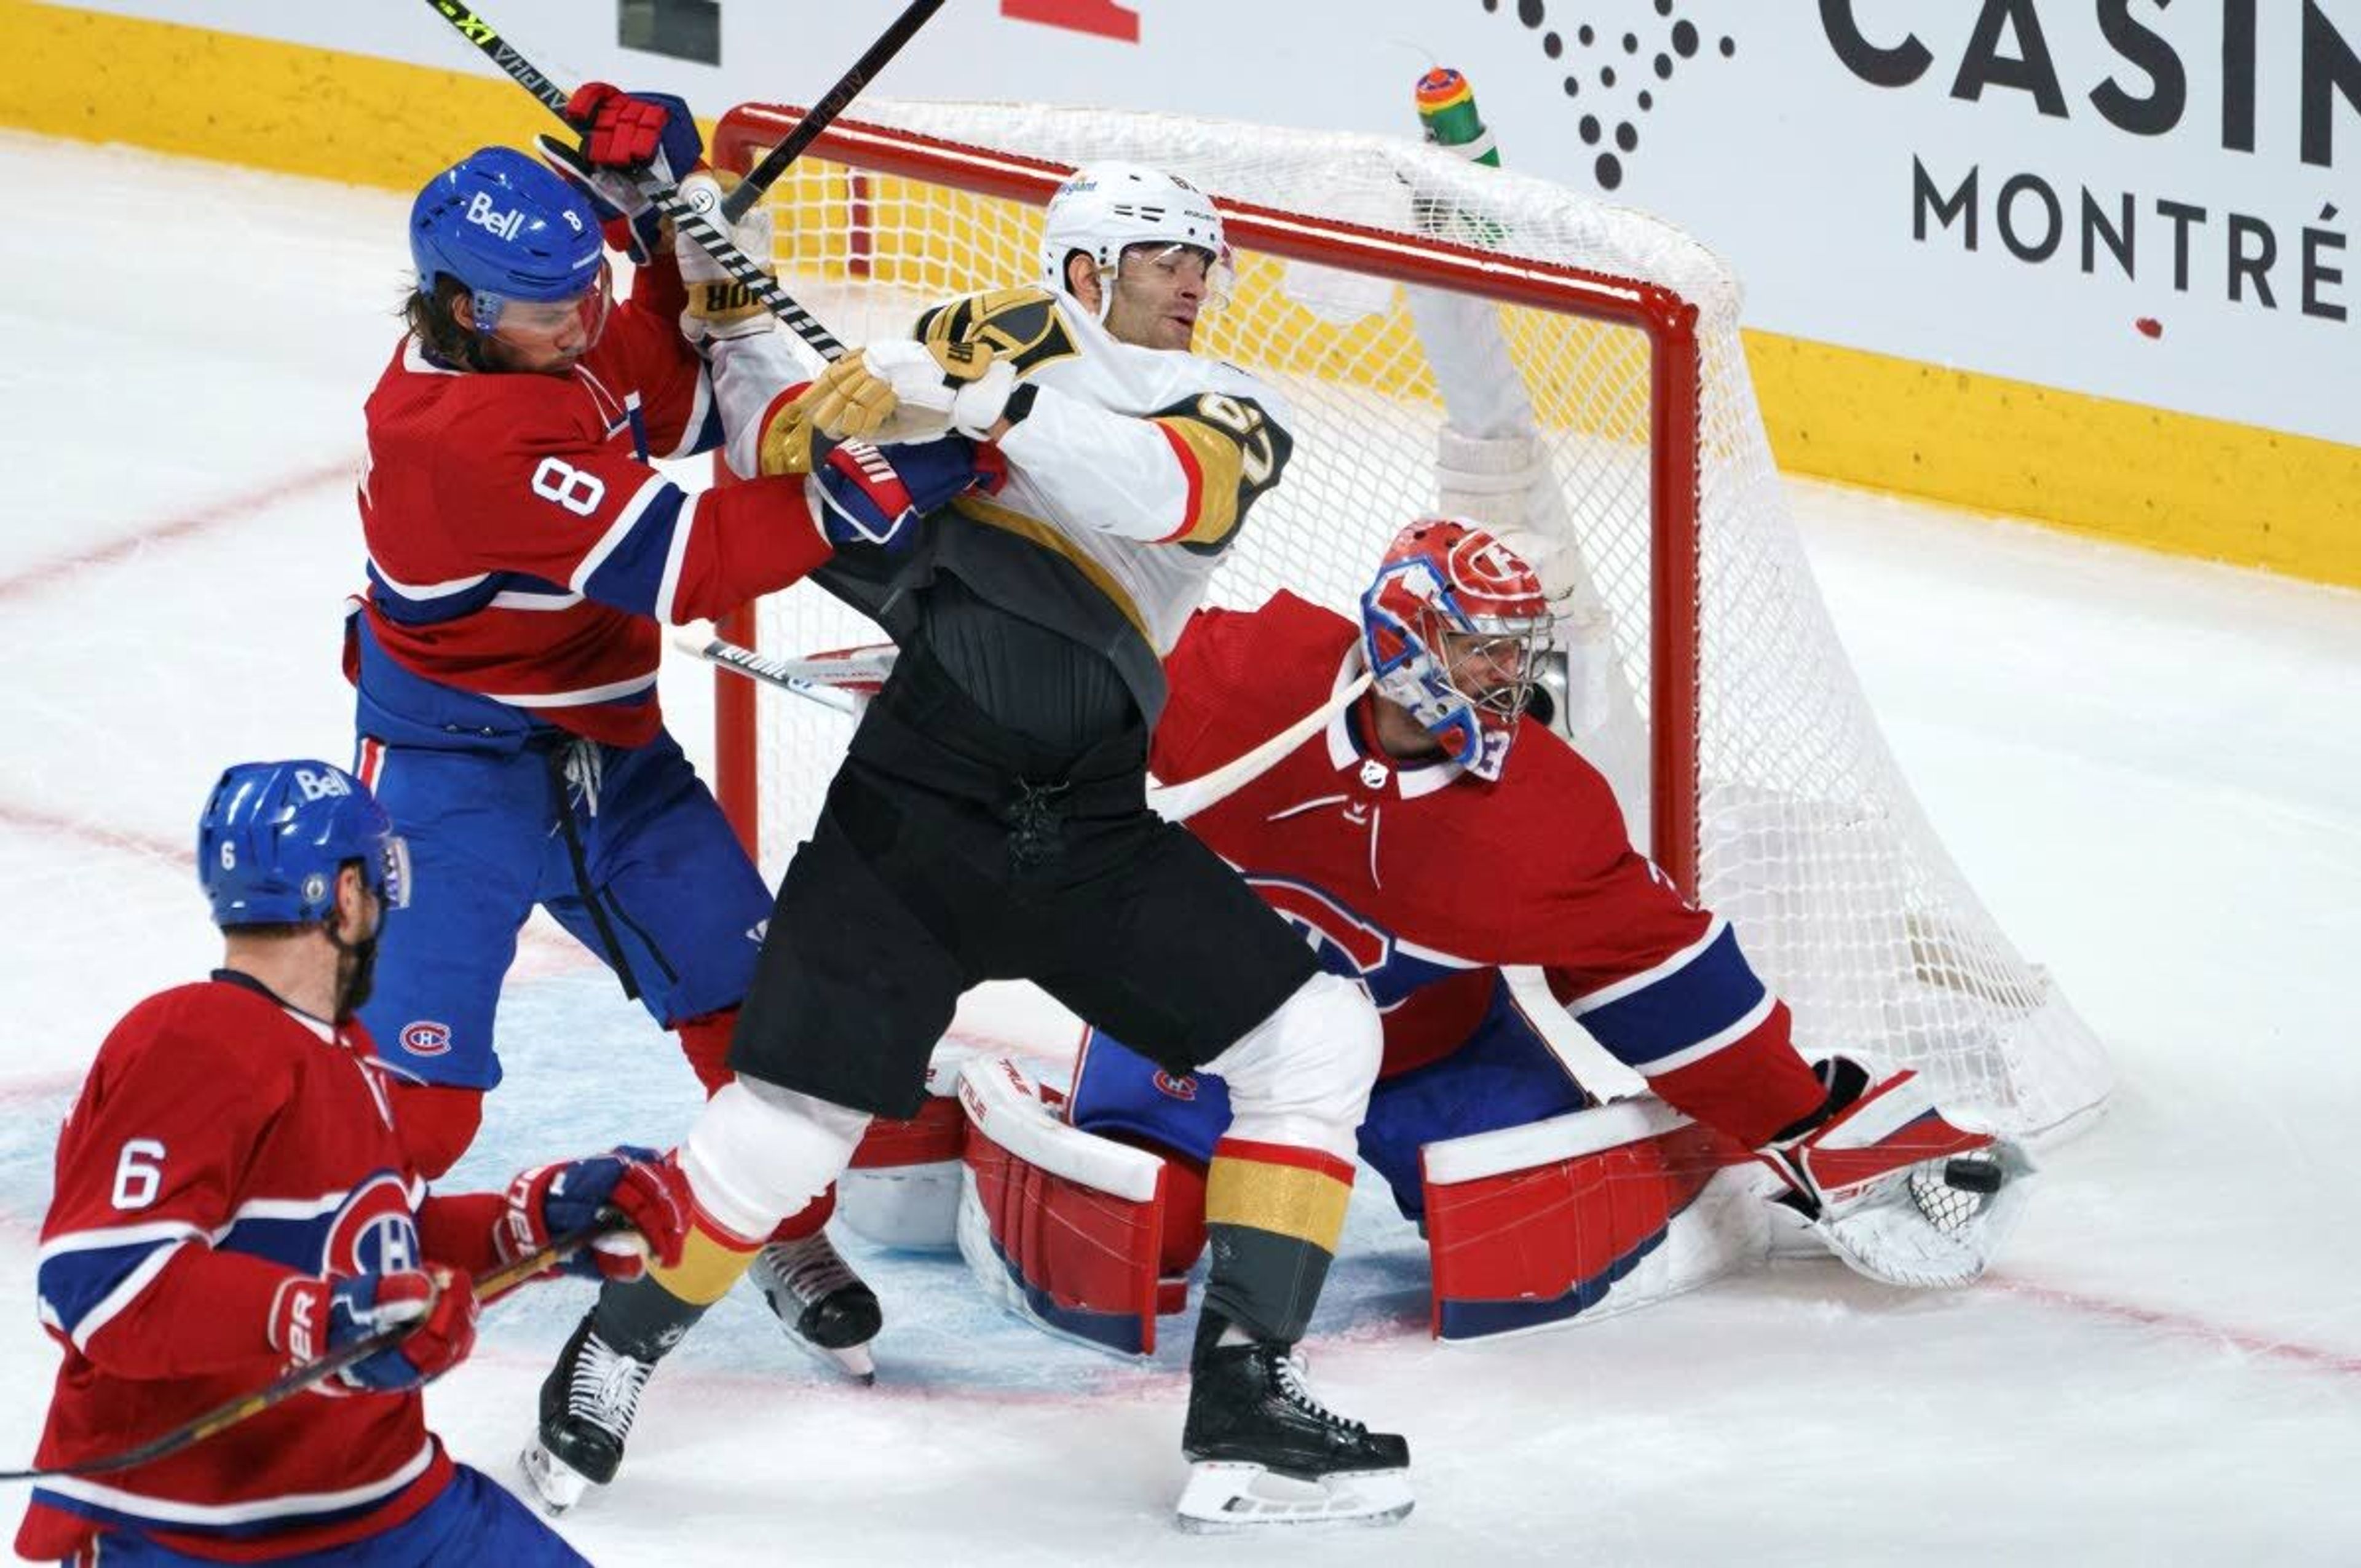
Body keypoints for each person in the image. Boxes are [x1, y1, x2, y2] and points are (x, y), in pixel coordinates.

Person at [524, 159, 1414, 1530]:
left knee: (1317, 1039)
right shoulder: (960, 341)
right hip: (912, 816)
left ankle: (1245, 1400)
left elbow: (1163, 492)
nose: (1196, 279)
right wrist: (734, 314)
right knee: (787, 1129)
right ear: (1084, 270)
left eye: (1204, 259)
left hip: (1090, 837)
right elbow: (779, 454)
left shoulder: (1226, 408)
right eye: (1165, 256)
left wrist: (979, 408)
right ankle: (609, 1356)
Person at [966, 518, 2031, 1339]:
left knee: (1533, 1258)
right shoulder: (1238, 677)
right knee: (1110, 1251)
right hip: (1199, 1040)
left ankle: (1698, 1160)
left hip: (1432, 1058)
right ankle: (981, 1116)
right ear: (1403, 637)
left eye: (1517, 651)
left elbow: (1657, 966)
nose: (1509, 679)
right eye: (1482, 651)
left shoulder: (1540, 811)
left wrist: (1807, 1121)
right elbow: (1056, 677)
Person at [348, 90, 986, 1385]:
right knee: (420, 1095)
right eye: (552, 301)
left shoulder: (540, 339)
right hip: (450, 779)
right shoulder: (454, 436)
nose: (583, 316)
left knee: (758, 1021)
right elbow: (689, 558)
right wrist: (887, 483)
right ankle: (319, 1253)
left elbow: (676, 391)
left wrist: (662, 220)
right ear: (465, 309)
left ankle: (783, 1234)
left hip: (610, 756)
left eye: (585, 287)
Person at [12, 759, 696, 1565]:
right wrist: (324, 1317)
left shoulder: (348, 1059)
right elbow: (102, 1283)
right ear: (344, 895)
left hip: (387, 1502)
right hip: (196, 1532)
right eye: (377, 883)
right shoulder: (190, 1040)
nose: (384, 906)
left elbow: (374, 1248)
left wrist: (535, 1223)